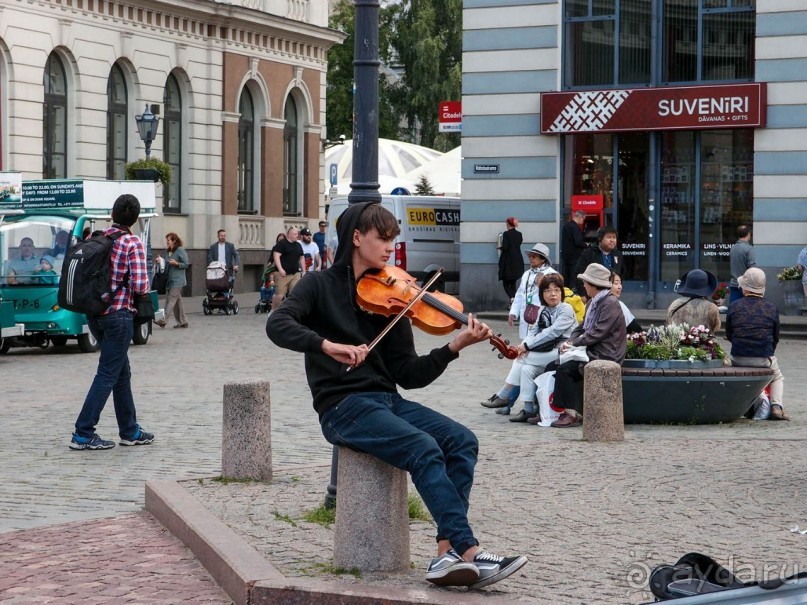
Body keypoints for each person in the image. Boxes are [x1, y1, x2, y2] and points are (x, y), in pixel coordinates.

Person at [266, 202, 528, 589]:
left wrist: (454, 346)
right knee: (423, 447)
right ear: (357, 238)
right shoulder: (317, 285)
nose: (390, 248)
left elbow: (409, 374)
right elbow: (277, 324)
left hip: (387, 400)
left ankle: (445, 556)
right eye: (383, 238)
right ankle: (470, 551)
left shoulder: (396, 299)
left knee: (461, 440)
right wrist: (326, 345)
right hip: (343, 405)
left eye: (393, 239)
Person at [69, 194, 154, 450]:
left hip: (96, 314)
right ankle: (83, 432)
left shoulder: (98, 238)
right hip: (119, 315)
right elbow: (141, 285)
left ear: (112, 214)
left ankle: (129, 430)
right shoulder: (132, 242)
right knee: (107, 373)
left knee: (120, 373)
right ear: (135, 218)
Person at [484, 274, 576, 422]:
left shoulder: (566, 309)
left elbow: (552, 333)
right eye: (547, 290)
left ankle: (505, 394)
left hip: (563, 353)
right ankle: (528, 409)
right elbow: (532, 332)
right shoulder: (542, 310)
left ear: (561, 293)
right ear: (542, 294)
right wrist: (523, 346)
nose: (553, 294)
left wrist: (526, 347)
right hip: (546, 353)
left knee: (523, 359)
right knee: (526, 369)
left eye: (557, 290)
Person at [549, 263, 626, 428]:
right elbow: (582, 327)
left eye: (586, 282)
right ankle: (546, 410)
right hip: (591, 349)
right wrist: (570, 341)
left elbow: (598, 332)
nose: (583, 285)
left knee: (565, 369)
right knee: (551, 366)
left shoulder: (610, 303)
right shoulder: (594, 302)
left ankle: (570, 414)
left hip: (605, 353)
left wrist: (574, 343)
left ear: (593, 285)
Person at [725, 267, 787, 421]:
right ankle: (776, 406)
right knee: (777, 377)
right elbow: (775, 336)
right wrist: (767, 351)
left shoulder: (735, 306)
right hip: (763, 357)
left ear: (744, 288)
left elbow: (729, 333)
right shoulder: (772, 307)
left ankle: (742, 405)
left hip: (738, 357)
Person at [506, 242, 558, 342]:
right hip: (526, 314)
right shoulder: (527, 273)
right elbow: (520, 294)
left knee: (537, 341)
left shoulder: (551, 274)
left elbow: (554, 298)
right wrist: (513, 312)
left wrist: (542, 284)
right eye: (530, 256)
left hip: (541, 314)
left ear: (543, 259)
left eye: (534, 256)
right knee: (525, 341)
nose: (531, 258)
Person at [574, 226, 624, 297]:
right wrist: (582, 294)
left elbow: (622, 273)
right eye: (609, 237)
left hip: (612, 294)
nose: (612, 240)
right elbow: (579, 273)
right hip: (593, 294)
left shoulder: (618, 254)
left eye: (614, 237)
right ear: (600, 239)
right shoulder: (589, 253)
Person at [666, 269, 720, 333]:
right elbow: (715, 327)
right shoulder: (712, 308)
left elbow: (669, 323)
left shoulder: (675, 304)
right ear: (706, 287)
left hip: (677, 341)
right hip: (703, 342)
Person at [154, 232, 189, 329]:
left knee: (170, 300)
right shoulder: (168, 251)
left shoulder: (180, 250)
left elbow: (186, 264)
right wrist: (160, 260)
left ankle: (163, 321)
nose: (167, 242)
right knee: (178, 302)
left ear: (174, 241)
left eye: (168, 240)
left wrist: (177, 263)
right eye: (167, 240)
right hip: (169, 279)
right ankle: (183, 322)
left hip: (178, 280)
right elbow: (165, 263)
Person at [271, 226, 305, 312]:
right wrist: (280, 269)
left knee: (294, 294)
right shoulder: (281, 244)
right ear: (289, 235)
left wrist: (304, 270)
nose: (297, 235)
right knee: (279, 295)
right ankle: (273, 310)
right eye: (295, 234)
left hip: (295, 274)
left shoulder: (298, 245)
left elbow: (301, 258)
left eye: (297, 233)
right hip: (282, 274)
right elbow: (276, 256)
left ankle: (290, 312)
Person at [498, 217, 524, 304]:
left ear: (508, 224)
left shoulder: (506, 234)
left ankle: (512, 298)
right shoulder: (519, 234)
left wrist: (499, 247)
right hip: (517, 260)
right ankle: (514, 300)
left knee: (505, 282)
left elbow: (505, 247)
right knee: (513, 282)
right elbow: (519, 243)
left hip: (508, 261)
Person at [729, 225, 755, 304]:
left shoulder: (733, 248)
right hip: (746, 287)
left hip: (734, 283)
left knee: (734, 311)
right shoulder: (749, 249)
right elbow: (752, 268)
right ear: (748, 234)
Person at [561, 210, 587, 286]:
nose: (583, 221)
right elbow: (578, 242)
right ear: (579, 217)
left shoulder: (566, 226)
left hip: (566, 256)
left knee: (567, 277)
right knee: (574, 277)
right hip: (575, 257)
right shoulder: (575, 227)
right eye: (583, 219)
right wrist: (586, 244)